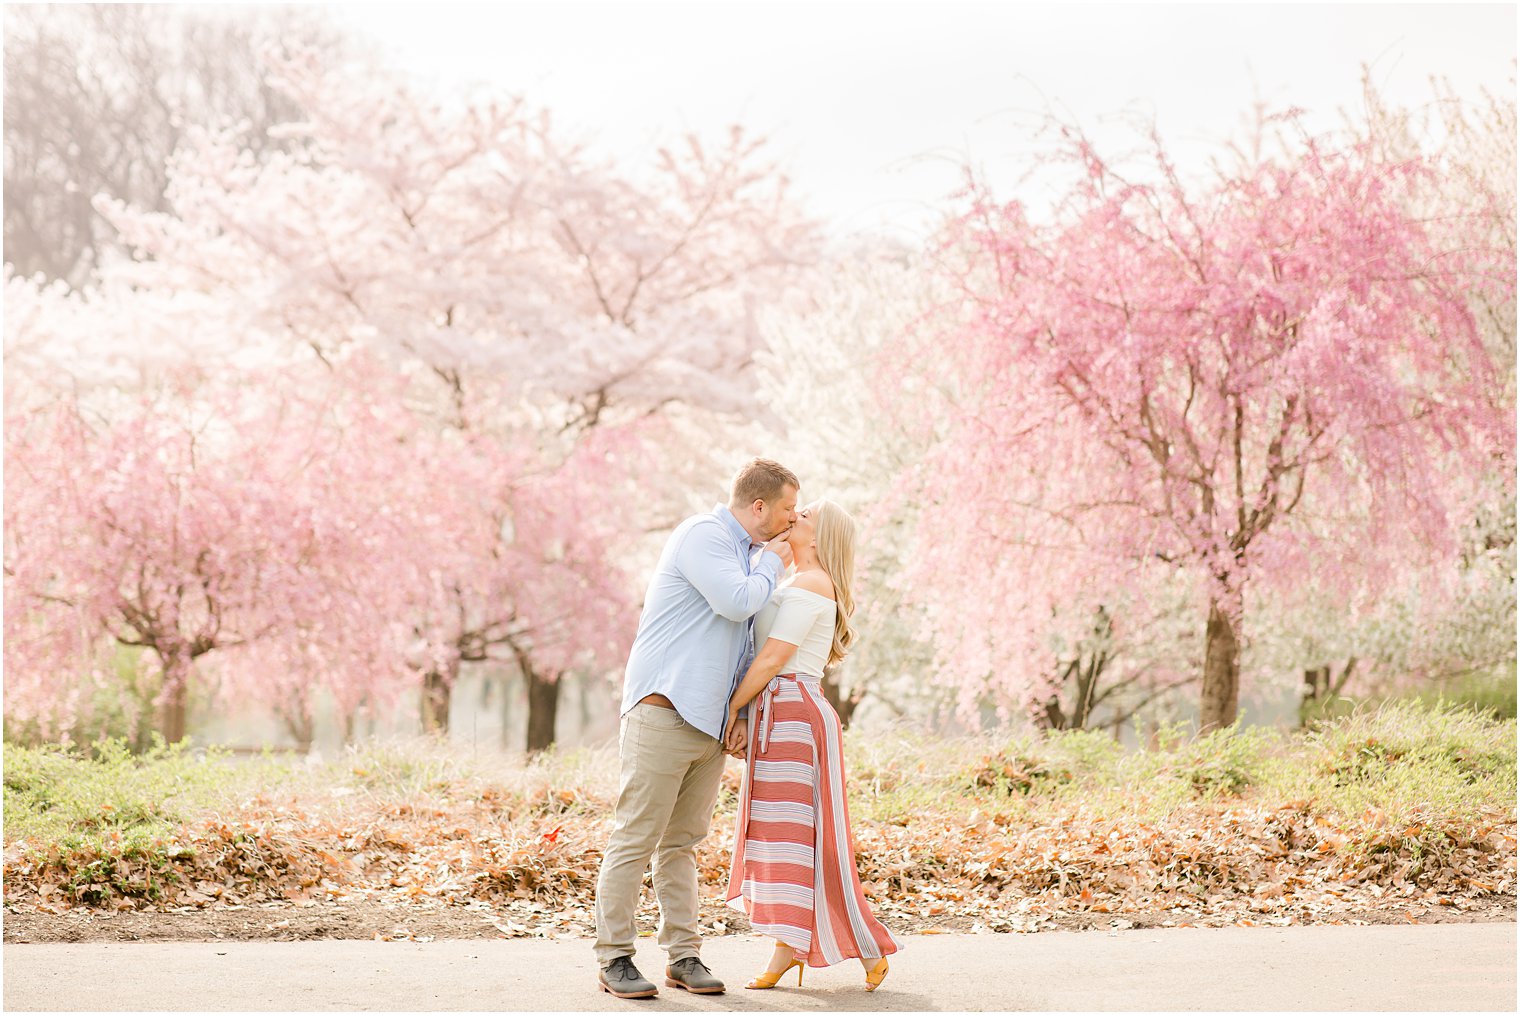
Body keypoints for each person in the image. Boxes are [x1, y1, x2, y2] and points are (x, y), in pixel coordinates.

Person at [593, 458, 800, 1000]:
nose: (792, 520)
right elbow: (736, 602)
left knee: (682, 844)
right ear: (759, 505)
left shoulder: (750, 557)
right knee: (636, 838)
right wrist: (776, 565)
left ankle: (683, 956)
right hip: (663, 712)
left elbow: (744, 645)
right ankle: (614, 958)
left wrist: (739, 715)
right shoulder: (703, 535)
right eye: (786, 509)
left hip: (709, 724)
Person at [723, 498, 900, 993]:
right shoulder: (791, 582)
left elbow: (773, 658)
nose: (794, 517)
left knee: (804, 837)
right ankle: (788, 946)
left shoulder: (812, 584)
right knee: (783, 838)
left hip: (792, 714)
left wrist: (731, 711)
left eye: (805, 517)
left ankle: (867, 948)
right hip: (778, 711)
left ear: (820, 539)